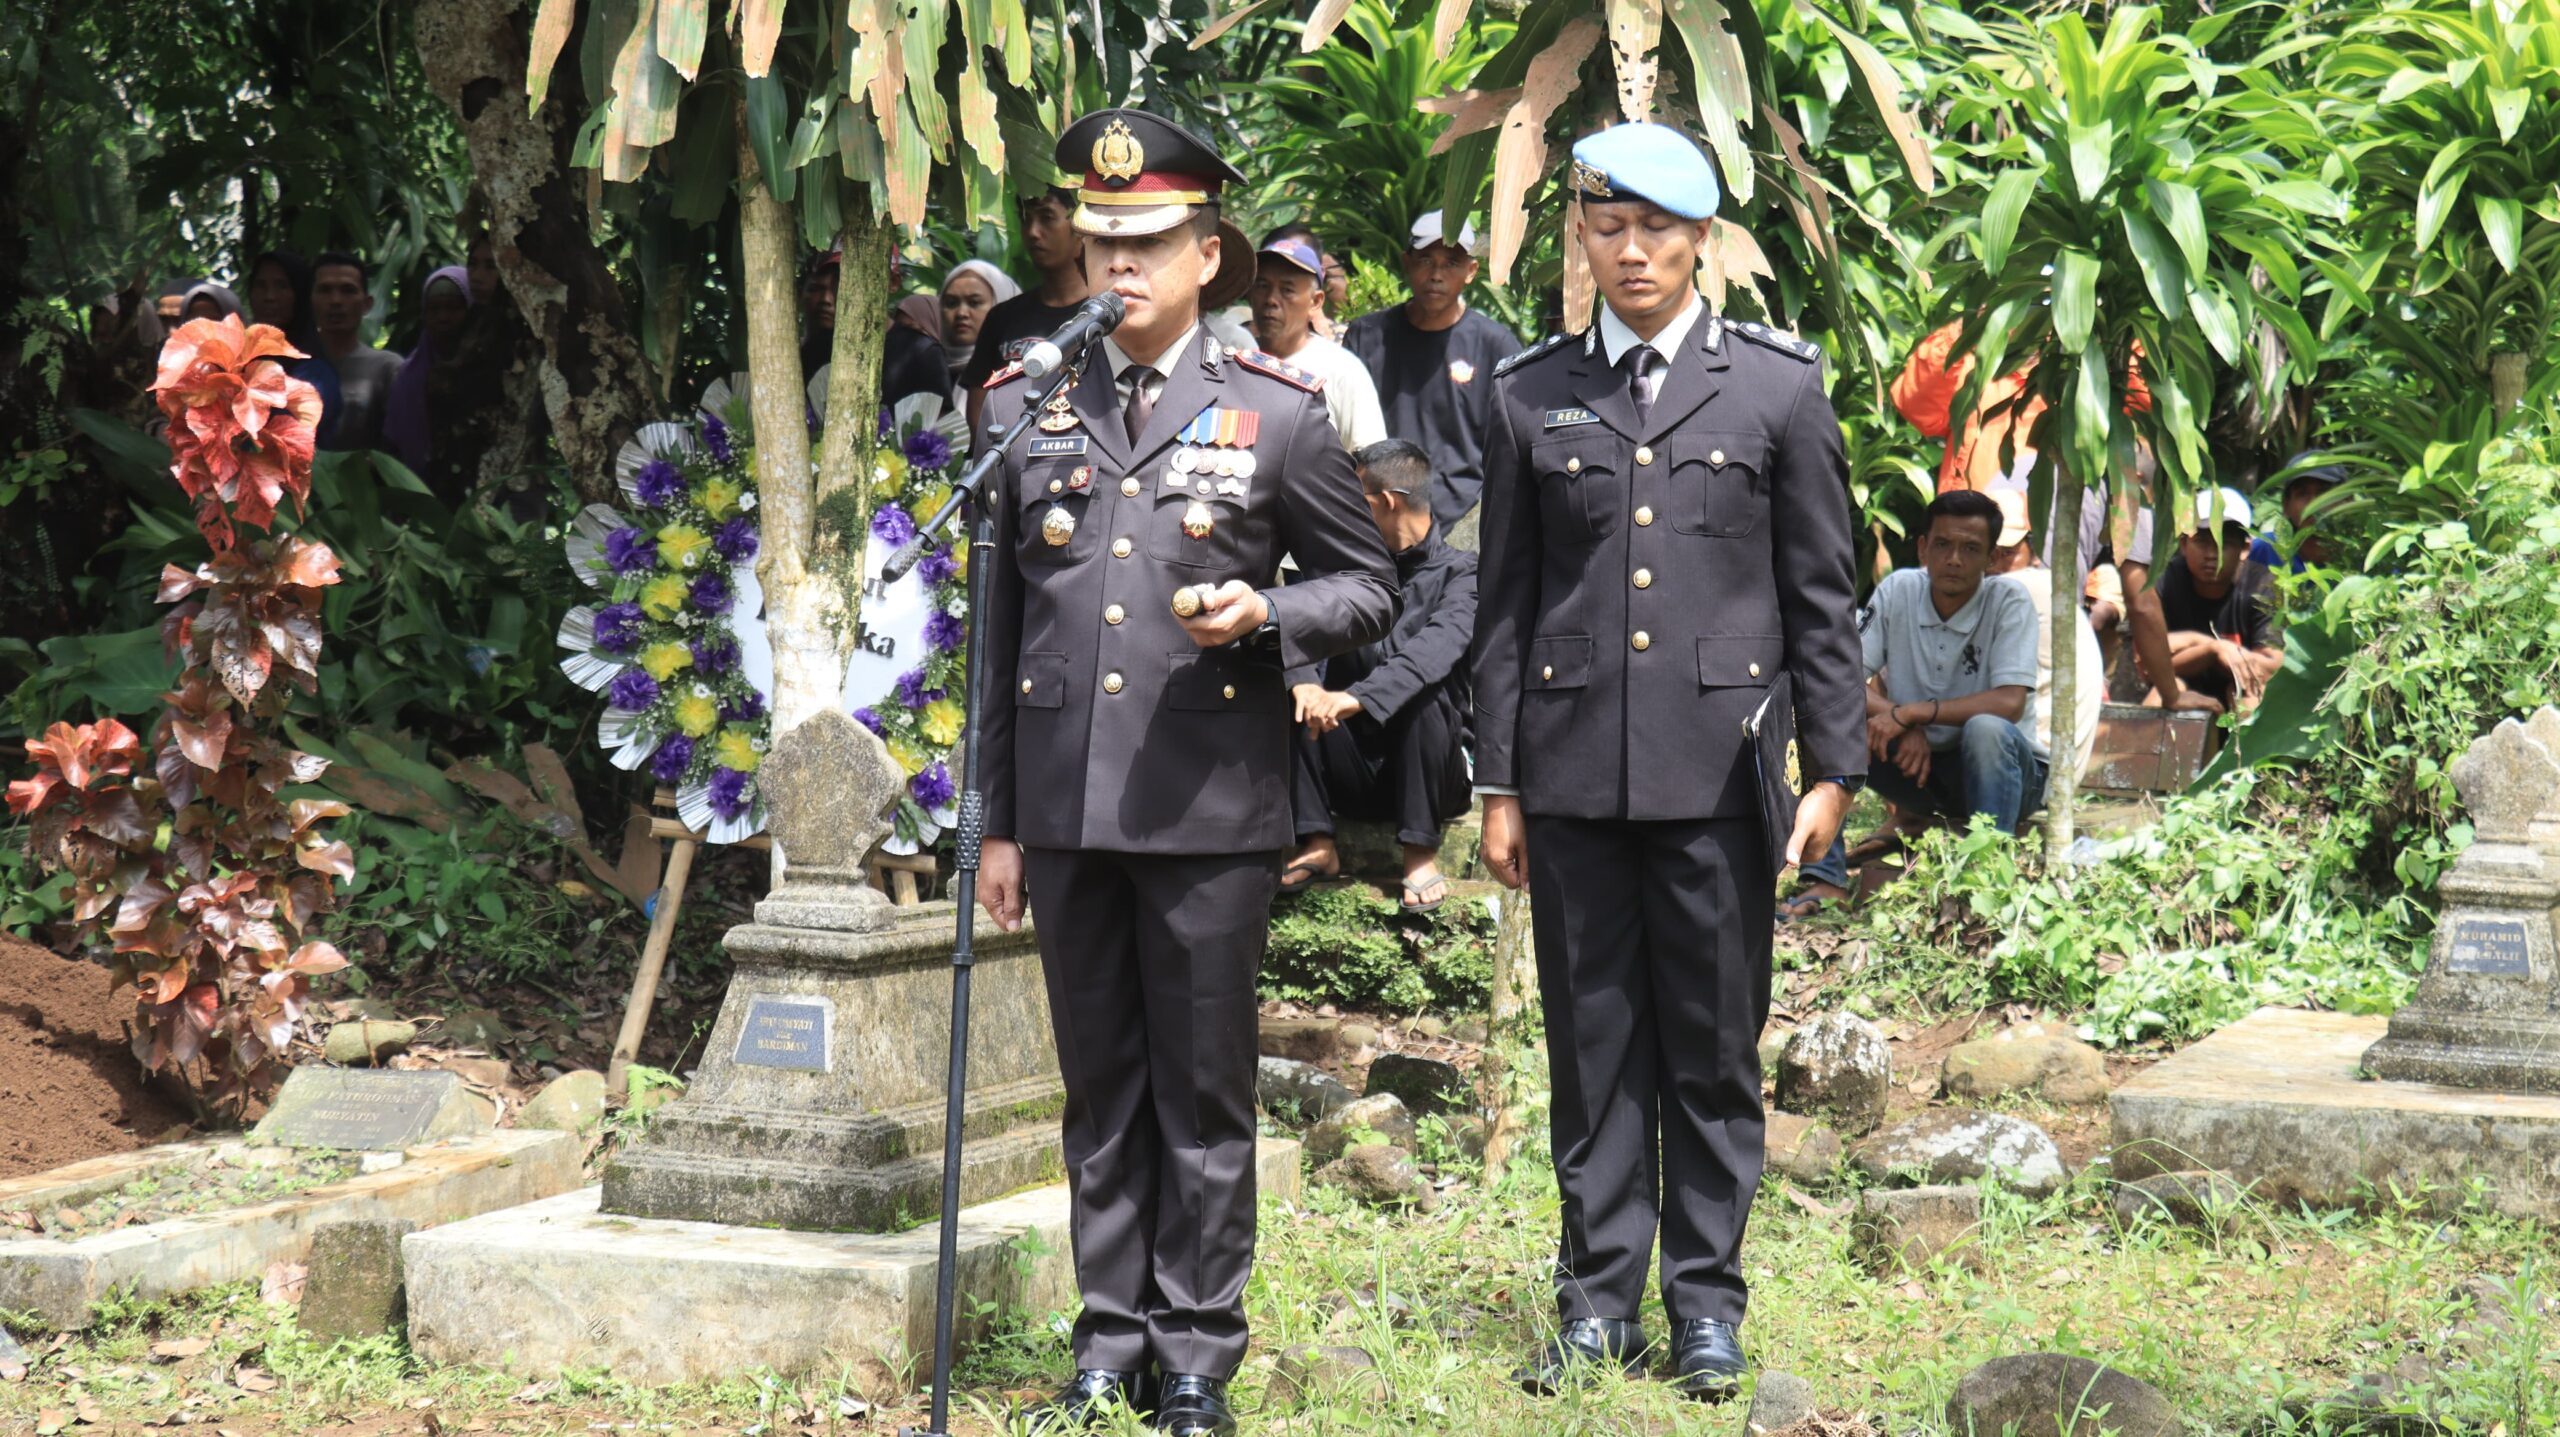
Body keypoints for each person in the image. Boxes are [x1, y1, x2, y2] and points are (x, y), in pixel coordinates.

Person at [973, 108, 1397, 1437]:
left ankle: (1198, 1352)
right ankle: (1108, 1344)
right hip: (1066, 807)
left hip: (1210, 807)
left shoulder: (1277, 412)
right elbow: (998, 638)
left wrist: (1269, 613)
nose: (1120, 264)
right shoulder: (1024, 401)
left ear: (1209, 256)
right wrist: (993, 822)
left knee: (1203, 1096)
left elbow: (1370, 583)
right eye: (1103, 239)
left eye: (1150, 242)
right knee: (1099, 1090)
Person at [1469, 123, 1862, 1402]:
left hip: (1718, 781)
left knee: (1710, 1048)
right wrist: (1498, 783)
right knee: (1591, 1053)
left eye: (1655, 230)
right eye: (1607, 228)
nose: (1630, 252)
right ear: (1581, 238)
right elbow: (1504, 604)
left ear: (1701, 242)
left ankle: (1704, 1307)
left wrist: (1831, 771)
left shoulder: (1775, 390)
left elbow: (1821, 598)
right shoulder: (1528, 393)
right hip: (1572, 776)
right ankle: (1595, 1306)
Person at [1281, 439, 1477, 912]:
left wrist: (1355, 699)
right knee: (1293, 687)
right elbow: (1297, 628)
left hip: (1436, 775)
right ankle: (1317, 841)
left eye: (1356, 500)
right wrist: (1304, 682)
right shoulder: (1345, 574)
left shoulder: (1464, 574)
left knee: (1426, 694)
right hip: (1352, 769)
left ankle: (1419, 854)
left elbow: (1430, 655)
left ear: (1388, 501)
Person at [1343, 211, 1522, 530]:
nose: (1437, 274)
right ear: (1407, 262)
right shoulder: (1367, 337)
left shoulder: (1496, 346)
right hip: (1375, 518)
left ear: (1471, 271)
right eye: (1426, 260)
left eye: (1451, 263)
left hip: (1463, 526)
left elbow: (1512, 449)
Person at [1895, 318, 2149, 493]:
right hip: (1972, 528)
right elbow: (1915, 405)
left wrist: (2120, 335)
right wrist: (1964, 330)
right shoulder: (1973, 367)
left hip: (2056, 531)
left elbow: (2144, 400)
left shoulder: (2090, 369)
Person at [2128, 486, 2282, 713]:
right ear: (2183, 544)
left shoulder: (2263, 586)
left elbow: (2271, 668)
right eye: (2202, 541)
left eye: (2224, 544)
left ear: (2244, 548)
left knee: (2249, 699)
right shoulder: (2164, 581)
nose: (2211, 554)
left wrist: (2184, 648)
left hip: (2238, 686)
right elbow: (2146, 665)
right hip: (2178, 688)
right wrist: (2212, 650)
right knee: (2160, 696)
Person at [1988, 488, 2103, 785]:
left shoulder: (2018, 587)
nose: (1994, 565)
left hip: (2038, 767)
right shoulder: (2041, 586)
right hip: (2051, 767)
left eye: (2007, 553)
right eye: (1985, 553)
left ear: (2033, 551)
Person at [963, 180, 1095, 430]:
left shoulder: (1103, 316)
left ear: (1079, 226)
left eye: (1047, 217)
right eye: (1026, 219)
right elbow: (979, 409)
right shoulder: (1003, 317)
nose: (1033, 232)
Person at [1246, 236, 1385, 449]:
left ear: (1316, 302)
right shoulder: (1235, 361)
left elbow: (1370, 456)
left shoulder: (1342, 370)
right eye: (1262, 286)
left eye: (1287, 290)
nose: (1271, 300)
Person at [383, 266, 472, 493]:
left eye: (453, 308)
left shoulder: (492, 369)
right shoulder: (408, 377)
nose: (443, 317)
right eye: (434, 309)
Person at [243, 249, 345, 444]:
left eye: (281, 286)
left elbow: (288, 438)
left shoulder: (315, 373)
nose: (270, 296)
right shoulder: (241, 362)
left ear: (300, 294)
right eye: (261, 286)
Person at [311, 251, 403, 452]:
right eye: (325, 290)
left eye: (348, 290)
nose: (336, 300)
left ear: (367, 304)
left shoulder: (388, 368)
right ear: (310, 301)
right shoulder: (292, 364)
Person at [936, 258, 1019, 391]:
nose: (961, 313)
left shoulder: (1018, 372)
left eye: (974, 303)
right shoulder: (925, 371)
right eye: (951, 303)